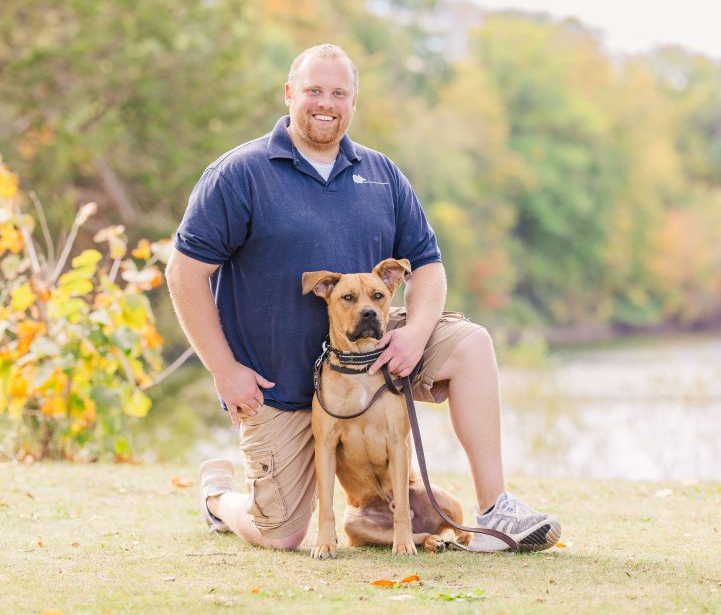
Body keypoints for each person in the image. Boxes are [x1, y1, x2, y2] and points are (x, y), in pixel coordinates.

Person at [166, 43, 560, 553]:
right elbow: (183, 275)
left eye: (339, 92)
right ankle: (220, 499)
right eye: (313, 90)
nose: (325, 103)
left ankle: (495, 509)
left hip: (374, 354)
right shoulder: (239, 174)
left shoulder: (382, 174)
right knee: (283, 534)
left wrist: (415, 334)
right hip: (278, 382)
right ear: (289, 93)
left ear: (354, 101)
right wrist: (224, 369)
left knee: (471, 345)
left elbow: (429, 267)